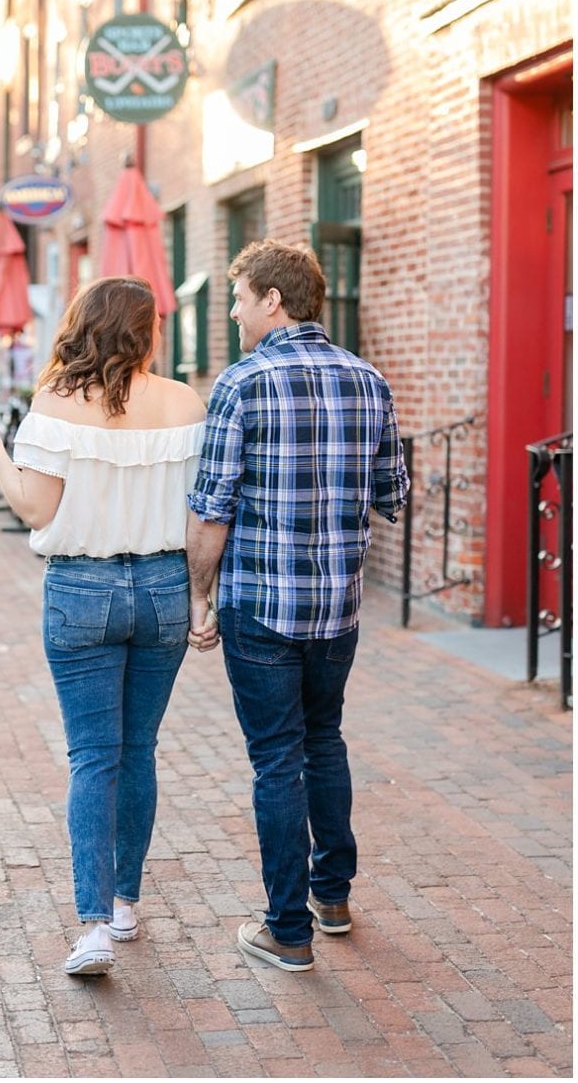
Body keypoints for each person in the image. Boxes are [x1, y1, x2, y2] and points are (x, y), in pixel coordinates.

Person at [0, 276, 205, 976]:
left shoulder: (56, 402)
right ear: (147, 330)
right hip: (163, 587)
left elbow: (34, 509)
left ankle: (94, 924)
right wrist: (202, 594)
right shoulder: (186, 403)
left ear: (83, 324)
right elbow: (199, 511)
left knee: (93, 755)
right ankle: (126, 901)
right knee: (140, 748)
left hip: (82, 588)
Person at [184, 240, 408, 973]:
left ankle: (287, 929)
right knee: (324, 738)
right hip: (336, 606)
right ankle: (332, 898)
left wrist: (198, 596)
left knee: (276, 758)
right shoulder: (369, 380)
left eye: (240, 297)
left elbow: (211, 509)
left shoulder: (241, 384)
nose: (234, 310)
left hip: (261, 605)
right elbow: (393, 497)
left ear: (273, 300)